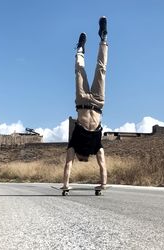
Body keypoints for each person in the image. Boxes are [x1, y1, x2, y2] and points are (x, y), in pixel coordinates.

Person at [61, 16, 108, 190]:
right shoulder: (96, 147)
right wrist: (102, 185)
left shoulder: (74, 144)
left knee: (89, 70)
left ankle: (80, 49)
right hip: (96, 102)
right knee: (98, 70)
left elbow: (68, 165)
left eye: (81, 160)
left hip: (86, 102)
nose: (83, 160)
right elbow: (102, 166)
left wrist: (66, 185)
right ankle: (103, 38)